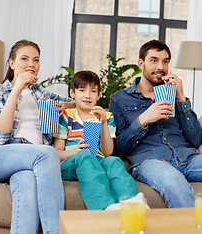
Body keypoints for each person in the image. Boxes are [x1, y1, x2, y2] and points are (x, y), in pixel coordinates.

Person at [109, 39, 202, 217]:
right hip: (150, 162)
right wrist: (142, 120)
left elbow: (195, 139)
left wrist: (181, 99)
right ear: (141, 63)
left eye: (165, 61)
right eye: (154, 60)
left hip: (188, 159)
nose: (160, 66)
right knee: (174, 181)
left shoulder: (173, 94)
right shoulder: (120, 99)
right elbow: (117, 150)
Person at [0, 40, 74, 234]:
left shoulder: (41, 93)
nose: (31, 64)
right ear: (12, 63)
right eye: (24, 59)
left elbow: (75, 101)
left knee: (28, 183)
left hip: (30, 161)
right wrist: (16, 89)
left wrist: (66, 106)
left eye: (36, 60)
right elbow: (0, 137)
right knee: (48, 153)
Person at [53, 70, 143, 210]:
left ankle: (132, 203)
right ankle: (104, 206)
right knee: (85, 156)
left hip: (97, 160)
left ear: (99, 95)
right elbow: (57, 152)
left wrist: (104, 123)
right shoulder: (66, 116)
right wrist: (73, 153)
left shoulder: (106, 116)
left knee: (114, 161)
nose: (87, 95)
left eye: (93, 91)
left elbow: (107, 152)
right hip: (71, 162)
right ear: (72, 93)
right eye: (82, 90)